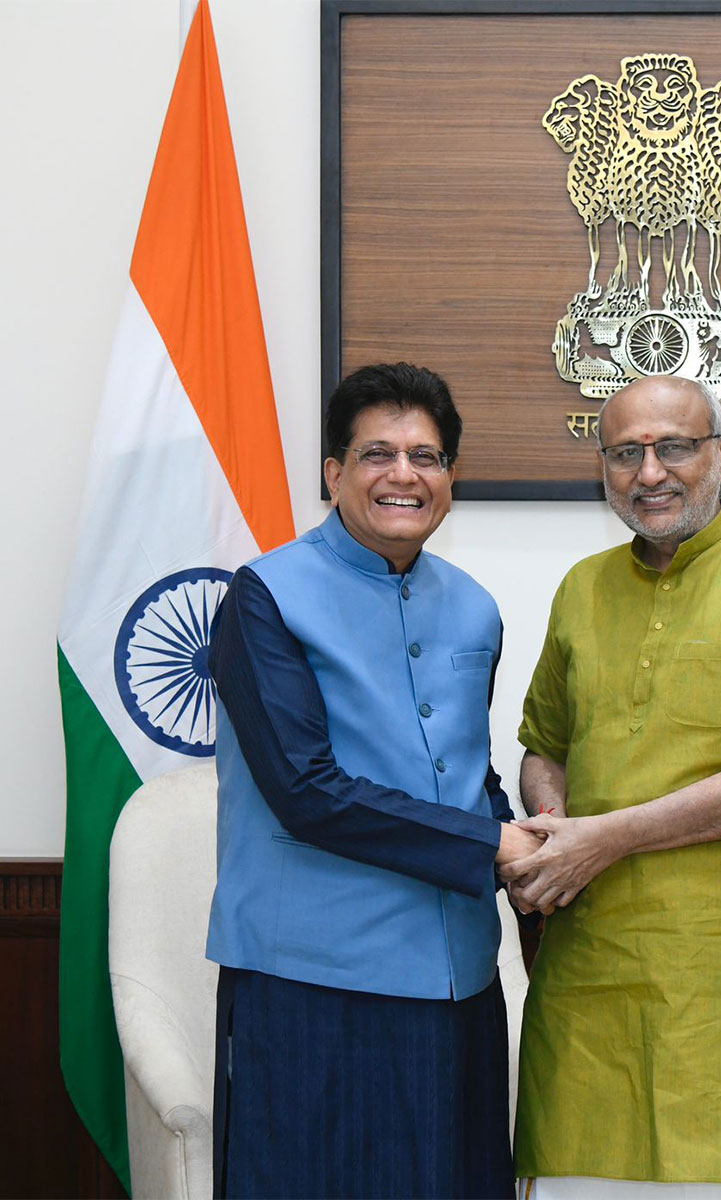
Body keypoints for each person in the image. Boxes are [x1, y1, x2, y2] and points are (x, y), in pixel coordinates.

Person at [504, 375, 721, 1198]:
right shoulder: (581, 589)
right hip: (592, 981)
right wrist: (555, 829)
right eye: (625, 453)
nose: (650, 472)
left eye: (674, 447)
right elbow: (541, 749)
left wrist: (610, 835)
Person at [204, 363, 539, 1199]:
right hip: (314, 987)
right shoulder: (262, 598)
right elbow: (306, 790)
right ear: (334, 474)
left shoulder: (475, 606)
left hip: (461, 983)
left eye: (426, 457)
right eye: (377, 453)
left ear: (450, 479)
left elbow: (461, 769)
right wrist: (496, 845)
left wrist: (535, 846)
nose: (404, 475)